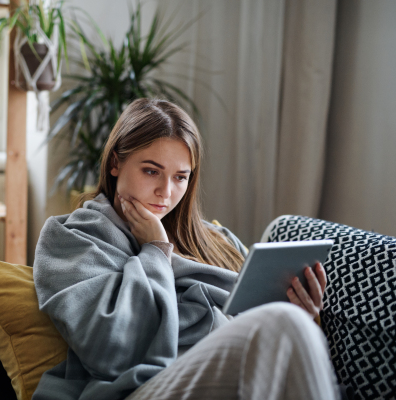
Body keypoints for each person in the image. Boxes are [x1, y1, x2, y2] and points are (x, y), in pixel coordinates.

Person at [31, 98, 340, 400]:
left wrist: (300, 312)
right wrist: (155, 249)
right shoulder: (73, 238)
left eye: (180, 177)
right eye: (151, 171)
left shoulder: (218, 240)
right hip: (140, 386)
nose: (165, 192)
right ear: (115, 163)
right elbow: (113, 351)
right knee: (283, 325)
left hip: (229, 374)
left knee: (289, 323)